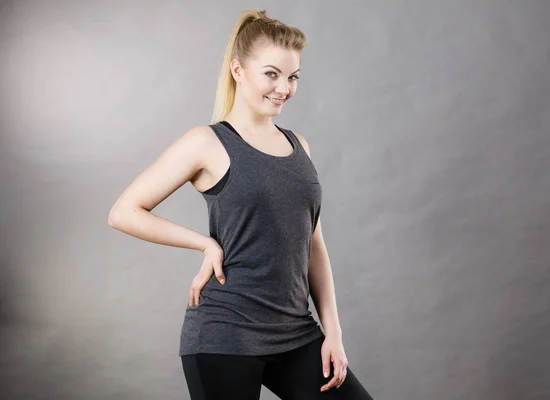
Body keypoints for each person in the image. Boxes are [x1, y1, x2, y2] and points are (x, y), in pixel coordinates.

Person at [108, 8, 374, 400]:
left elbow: (313, 245)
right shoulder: (208, 142)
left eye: (292, 76)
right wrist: (205, 244)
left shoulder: (300, 145)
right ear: (238, 70)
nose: (283, 88)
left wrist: (333, 332)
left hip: (296, 331)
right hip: (224, 333)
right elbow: (123, 212)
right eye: (271, 74)